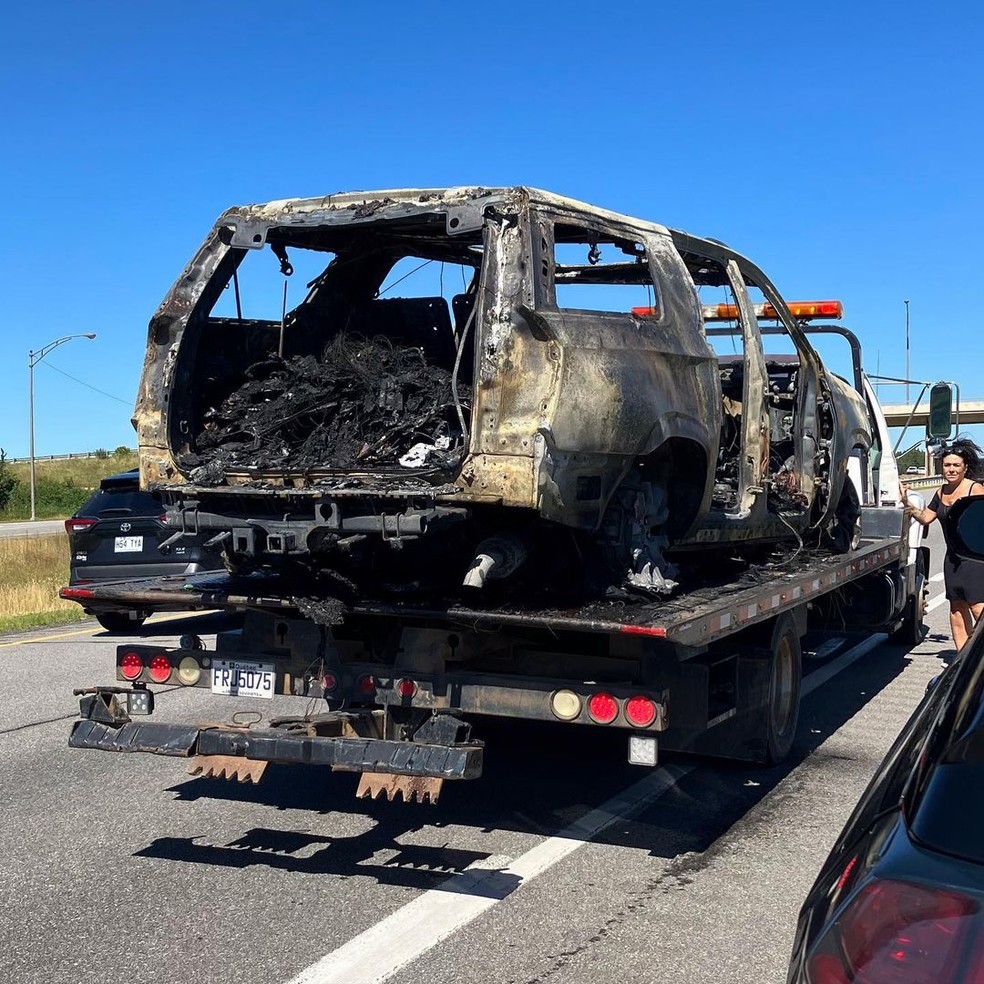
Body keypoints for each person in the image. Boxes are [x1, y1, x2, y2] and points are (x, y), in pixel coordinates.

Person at [907, 438, 984, 649]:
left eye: (956, 465)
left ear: (965, 467)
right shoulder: (941, 492)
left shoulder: (975, 489)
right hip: (952, 559)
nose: (951, 469)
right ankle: (961, 659)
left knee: (979, 609)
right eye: (947, 465)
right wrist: (907, 504)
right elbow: (925, 518)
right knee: (957, 610)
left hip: (975, 560)